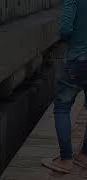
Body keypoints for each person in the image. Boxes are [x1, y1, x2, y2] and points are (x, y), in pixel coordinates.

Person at [42, 0, 87, 173]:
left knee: (62, 107)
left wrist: (73, 40)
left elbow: (66, 28)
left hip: (79, 59)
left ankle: (66, 159)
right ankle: (84, 156)